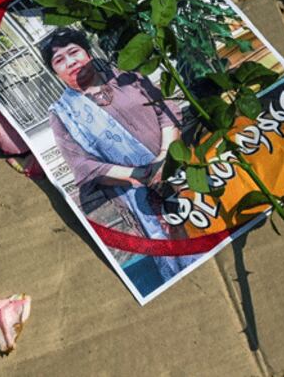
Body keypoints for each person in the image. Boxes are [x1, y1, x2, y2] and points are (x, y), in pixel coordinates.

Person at [41, 28, 196, 283]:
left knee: (205, 222)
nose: (70, 62)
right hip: (135, 192)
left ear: (87, 53)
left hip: (174, 166)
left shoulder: (126, 77)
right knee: (171, 250)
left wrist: (164, 158)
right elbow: (82, 165)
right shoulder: (62, 113)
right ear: (54, 71)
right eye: (59, 60)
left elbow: (165, 109)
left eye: (74, 52)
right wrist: (138, 175)